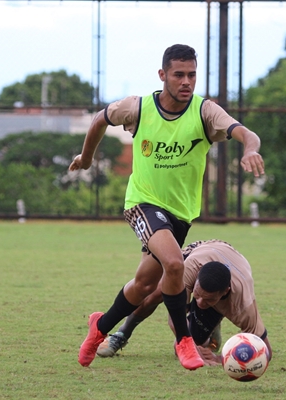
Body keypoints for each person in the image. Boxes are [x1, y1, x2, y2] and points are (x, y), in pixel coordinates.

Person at [69, 44, 264, 370]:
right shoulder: (138, 108)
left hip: (179, 215)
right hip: (142, 204)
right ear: (163, 75)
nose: (186, 81)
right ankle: (184, 342)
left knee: (145, 284)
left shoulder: (205, 112)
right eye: (179, 75)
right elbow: (99, 120)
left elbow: (246, 133)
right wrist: (86, 159)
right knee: (174, 264)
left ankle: (99, 327)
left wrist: (249, 150)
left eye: (192, 75)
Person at [96, 239, 273, 366]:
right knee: (155, 292)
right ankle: (121, 335)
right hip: (204, 249)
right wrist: (191, 346)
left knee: (183, 347)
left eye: (209, 299)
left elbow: (266, 350)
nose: (201, 302)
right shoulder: (190, 269)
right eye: (197, 294)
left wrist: (226, 359)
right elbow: (175, 316)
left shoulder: (243, 304)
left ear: (225, 292)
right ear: (195, 281)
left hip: (233, 262)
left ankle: (212, 324)